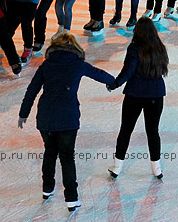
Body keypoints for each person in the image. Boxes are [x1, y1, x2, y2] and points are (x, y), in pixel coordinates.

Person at [18, 33, 115, 213]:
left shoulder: (46, 65)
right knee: (67, 158)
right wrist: (113, 83)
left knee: (50, 152)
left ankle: (47, 188)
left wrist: (23, 113)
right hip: (68, 118)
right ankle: (71, 199)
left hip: (46, 117)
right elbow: (99, 74)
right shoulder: (77, 64)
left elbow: (32, 90)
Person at [107, 18, 168, 180]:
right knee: (153, 132)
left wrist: (115, 84)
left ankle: (117, 167)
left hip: (135, 94)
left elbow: (128, 70)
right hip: (156, 95)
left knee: (126, 130)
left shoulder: (134, 48)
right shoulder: (159, 48)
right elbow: (163, 69)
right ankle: (157, 169)